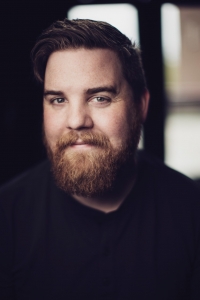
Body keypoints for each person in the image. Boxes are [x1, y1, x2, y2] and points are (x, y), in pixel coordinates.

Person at [0, 19, 200, 300]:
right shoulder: (7, 217)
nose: (76, 121)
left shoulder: (192, 210)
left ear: (140, 106)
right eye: (58, 100)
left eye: (100, 98)